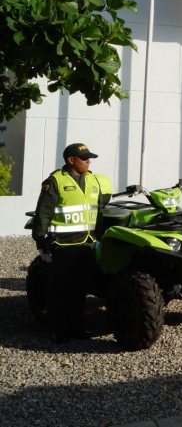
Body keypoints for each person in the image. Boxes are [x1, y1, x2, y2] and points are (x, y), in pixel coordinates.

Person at [32, 143, 112, 342]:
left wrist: (100, 237)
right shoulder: (55, 181)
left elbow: (99, 211)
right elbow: (43, 212)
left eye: (88, 158)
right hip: (64, 245)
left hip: (87, 244)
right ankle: (58, 330)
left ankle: (77, 328)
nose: (88, 161)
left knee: (79, 290)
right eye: (84, 158)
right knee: (59, 290)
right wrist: (41, 242)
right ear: (71, 160)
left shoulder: (93, 180)